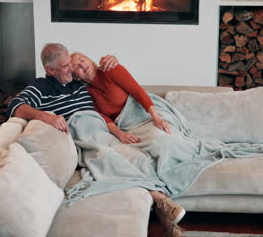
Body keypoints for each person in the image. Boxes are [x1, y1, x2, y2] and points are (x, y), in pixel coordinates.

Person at [70, 52, 186, 233]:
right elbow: (104, 118)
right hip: (126, 126)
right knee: (140, 158)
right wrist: (120, 134)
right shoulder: (86, 93)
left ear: (89, 60)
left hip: (145, 115)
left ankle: (165, 211)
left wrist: (156, 117)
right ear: (75, 75)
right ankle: (168, 219)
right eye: (76, 66)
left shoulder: (110, 69)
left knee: (161, 143)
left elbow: (137, 91)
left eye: (82, 59)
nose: (81, 65)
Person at [7, 43, 118, 130]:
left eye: (70, 63)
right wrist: (46, 117)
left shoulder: (77, 79)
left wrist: (111, 62)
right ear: (50, 69)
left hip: (102, 130)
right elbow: (14, 105)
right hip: (79, 137)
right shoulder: (42, 86)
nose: (71, 68)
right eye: (65, 66)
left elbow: (96, 74)